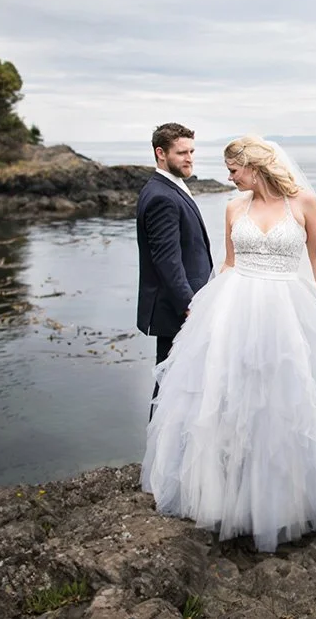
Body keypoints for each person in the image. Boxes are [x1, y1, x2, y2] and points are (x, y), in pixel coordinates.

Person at [141, 135, 316, 552]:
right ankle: (231, 487)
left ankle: (297, 490)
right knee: (232, 394)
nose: (229, 177)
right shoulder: (234, 207)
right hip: (237, 302)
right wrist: (208, 308)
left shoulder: (303, 202)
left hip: (289, 304)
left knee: (294, 392)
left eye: (233, 169)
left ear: (255, 166)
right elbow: (229, 263)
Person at [135, 123, 214, 417]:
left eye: (192, 151)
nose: (189, 158)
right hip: (176, 309)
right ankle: (160, 457)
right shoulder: (161, 197)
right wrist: (189, 306)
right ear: (160, 153)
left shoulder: (169, 187)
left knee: (177, 379)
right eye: (182, 152)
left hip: (182, 304)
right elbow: (166, 260)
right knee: (169, 382)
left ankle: (171, 450)